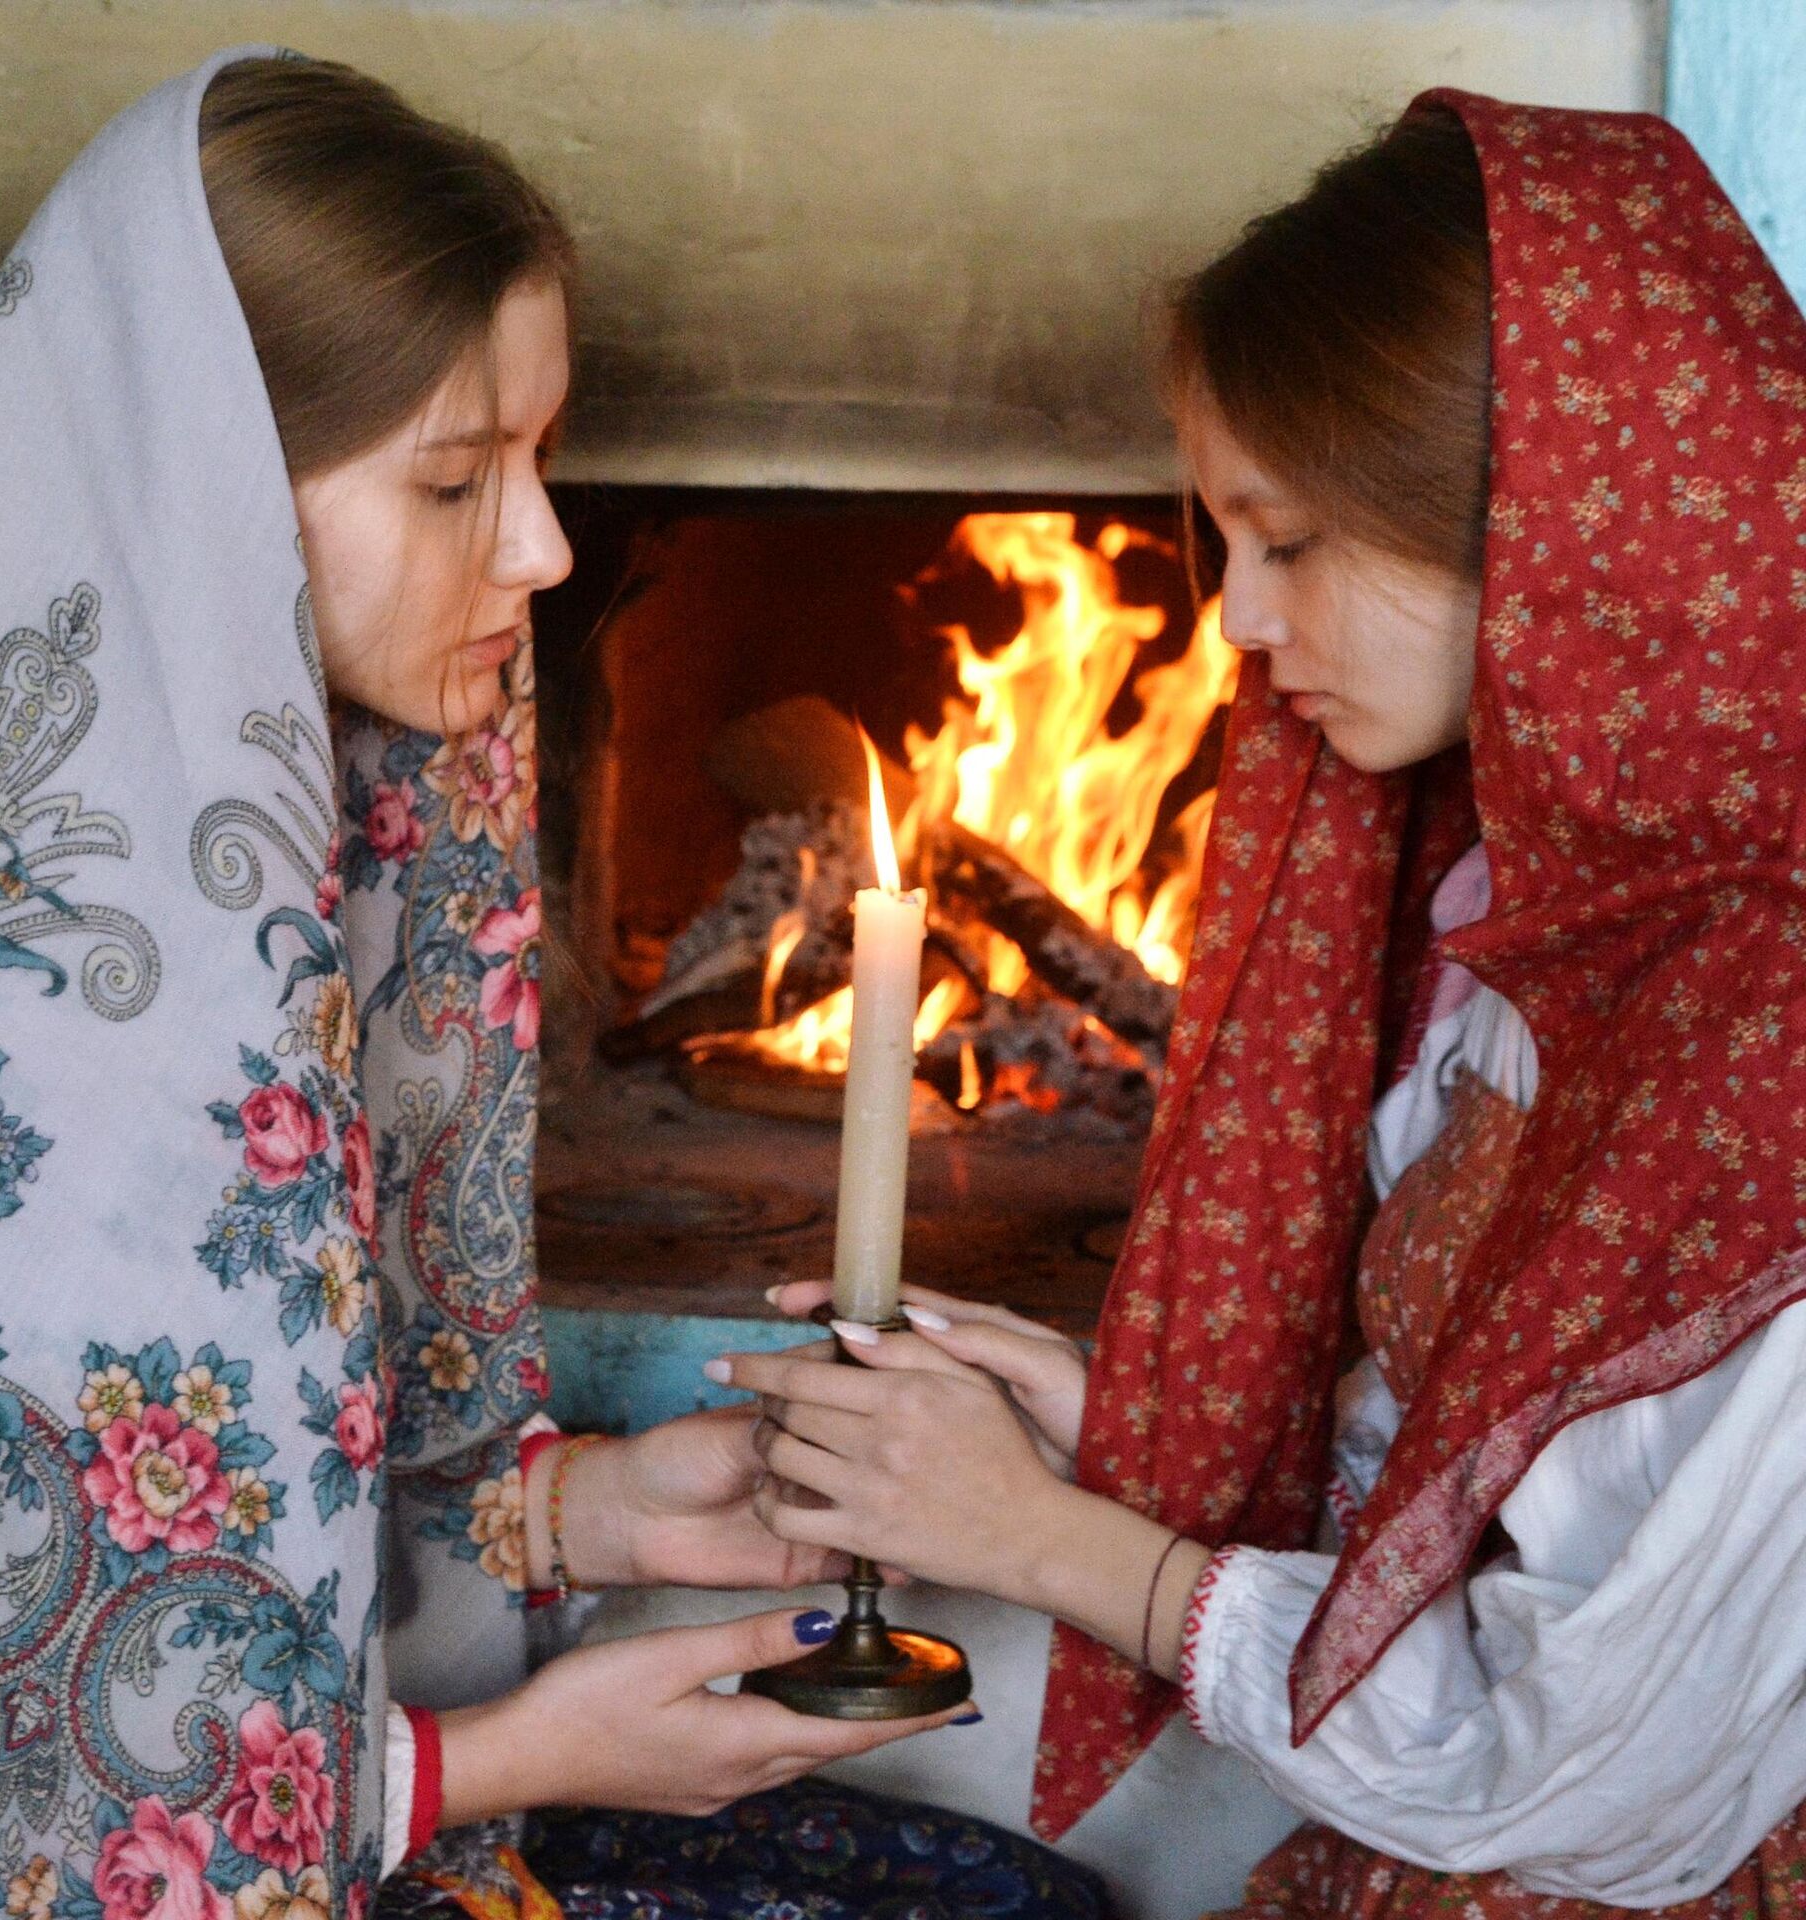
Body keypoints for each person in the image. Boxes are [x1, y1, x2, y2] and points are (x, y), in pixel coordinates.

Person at [0, 50, 1112, 1920]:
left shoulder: (309, 873)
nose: (543, 550)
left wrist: (600, 1508)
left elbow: (249, 1537)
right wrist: (526, 1756)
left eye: (537, 463)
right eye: (460, 480)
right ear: (193, 509)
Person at [726, 90, 1806, 1919]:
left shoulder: (1767, 1061)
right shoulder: (1549, 942)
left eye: (1289, 542)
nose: (1228, 620)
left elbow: (1573, 1774)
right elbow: (1459, 1503)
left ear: (1555, 537)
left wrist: (1042, 1542)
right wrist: (1099, 1424)